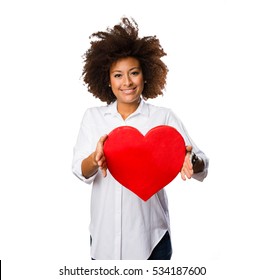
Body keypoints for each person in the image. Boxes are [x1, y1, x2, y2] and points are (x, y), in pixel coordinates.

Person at [72, 17, 209, 260]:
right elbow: (79, 170)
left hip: (151, 241)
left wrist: (191, 158)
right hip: (103, 241)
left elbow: (200, 165)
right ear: (108, 79)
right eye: (118, 75)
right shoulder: (93, 117)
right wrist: (96, 157)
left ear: (145, 75)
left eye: (134, 73)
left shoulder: (164, 117)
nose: (127, 82)